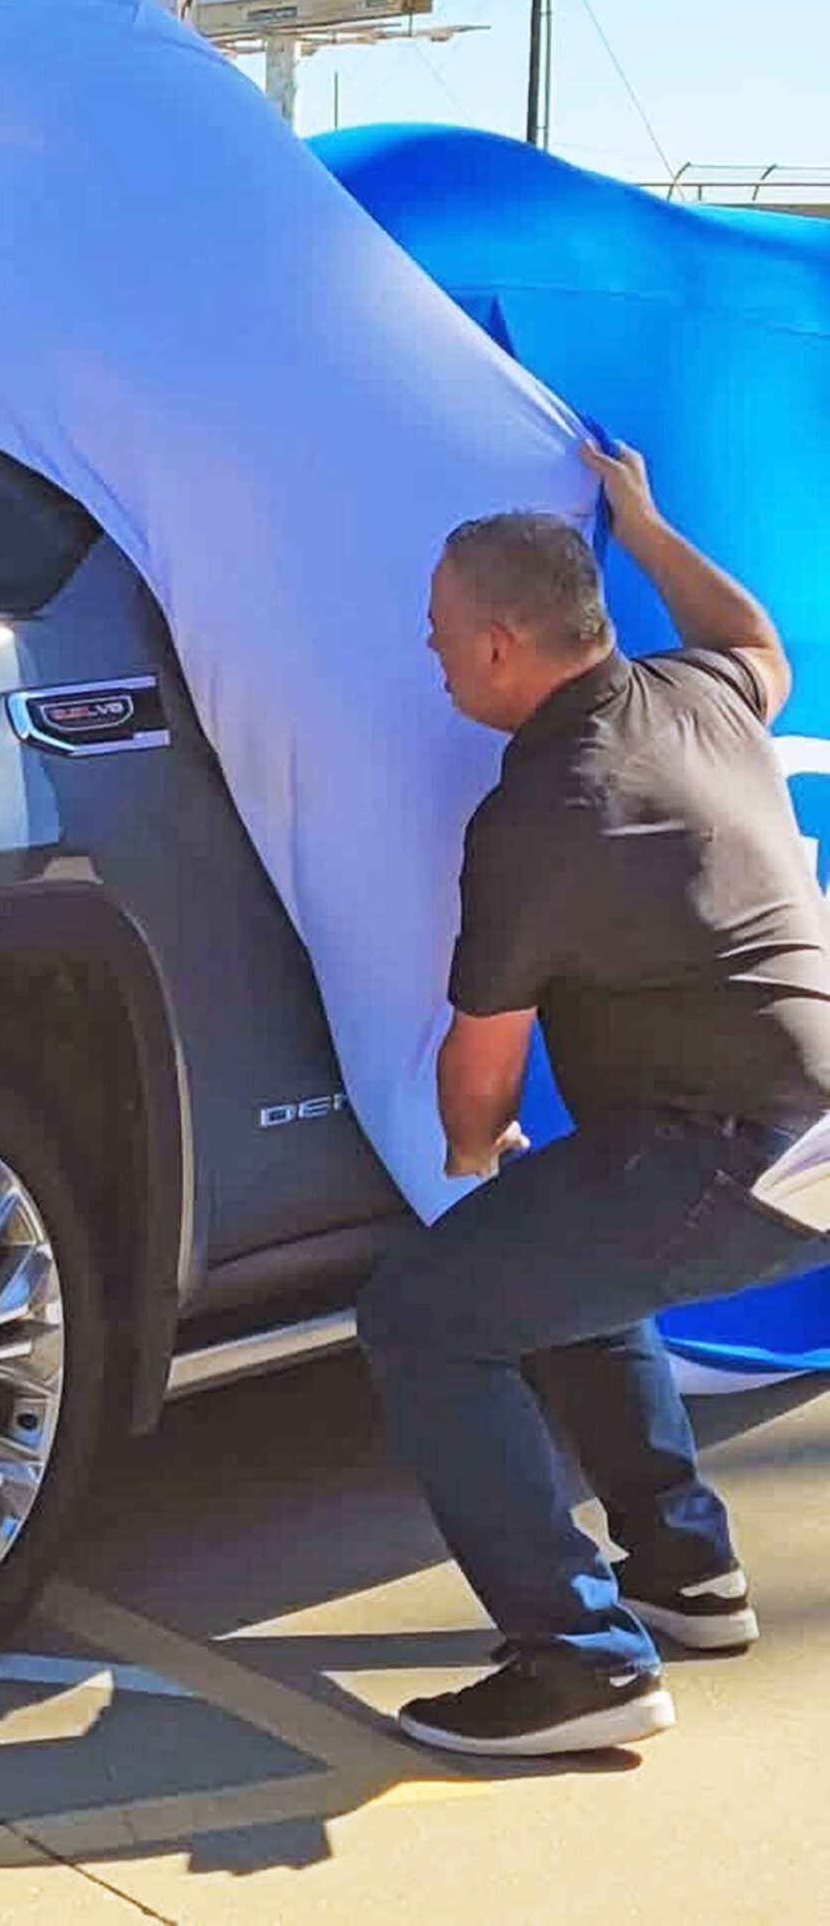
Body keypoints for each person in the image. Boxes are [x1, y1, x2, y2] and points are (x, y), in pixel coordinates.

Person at [359, 439, 830, 1758]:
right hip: (792, 1126)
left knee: (427, 1313)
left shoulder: (551, 802)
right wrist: (648, 521)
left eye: (444, 630)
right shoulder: (696, 694)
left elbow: (484, 1057)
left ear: (505, 646)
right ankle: (687, 1575)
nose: (432, 650)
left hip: (740, 1149)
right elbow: (754, 635)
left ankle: (579, 1659)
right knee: (556, 1256)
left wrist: (467, 1145)